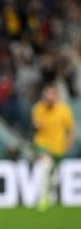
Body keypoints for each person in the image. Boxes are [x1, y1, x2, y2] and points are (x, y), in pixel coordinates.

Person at [31, 83, 76, 211]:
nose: (49, 97)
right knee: (45, 166)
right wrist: (36, 126)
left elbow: (71, 130)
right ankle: (42, 199)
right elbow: (35, 125)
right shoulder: (38, 108)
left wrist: (67, 145)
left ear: (56, 96)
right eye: (47, 94)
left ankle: (49, 197)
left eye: (52, 94)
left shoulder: (64, 110)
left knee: (54, 177)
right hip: (42, 144)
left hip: (58, 148)